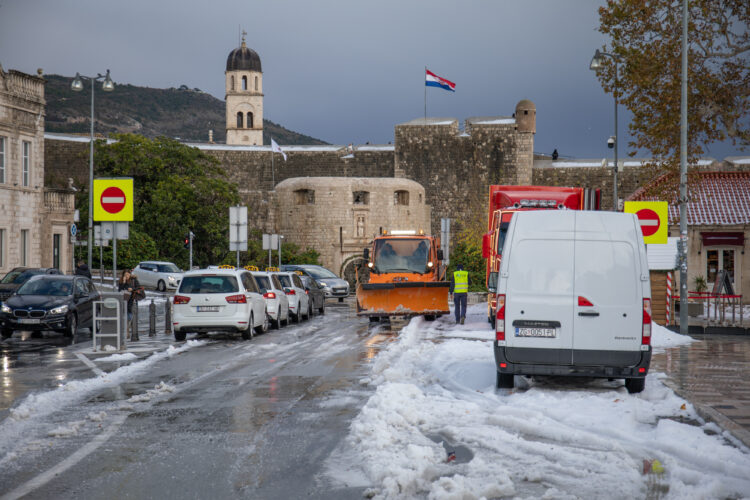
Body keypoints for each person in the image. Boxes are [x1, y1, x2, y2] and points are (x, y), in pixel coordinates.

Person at [118, 269, 142, 339]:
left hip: (132, 300)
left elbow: (139, 288)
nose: (127, 276)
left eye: (128, 275)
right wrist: (123, 282)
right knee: (126, 317)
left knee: (131, 316)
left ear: (130, 274)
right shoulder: (121, 281)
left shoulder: (134, 280)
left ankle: (132, 330)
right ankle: (127, 332)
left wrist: (132, 289)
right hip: (125, 300)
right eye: (125, 275)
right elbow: (119, 290)